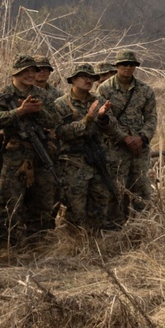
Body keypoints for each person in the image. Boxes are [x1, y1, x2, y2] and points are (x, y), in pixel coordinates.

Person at [0, 54, 61, 245]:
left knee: (43, 199)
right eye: (25, 71)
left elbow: (54, 120)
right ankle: (4, 245)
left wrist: (38, 111)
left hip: (40, 153)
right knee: (9, 201)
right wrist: (19, 112)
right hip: (14, 155)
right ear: (15, 72)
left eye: (33, 71)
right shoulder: (2, 95)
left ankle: (38, 243)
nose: (29, 75)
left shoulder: (42, 95)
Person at [53, 64, 116, 234]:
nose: (89, 80)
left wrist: (103, 119)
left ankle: (94, 244)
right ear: (73, 79)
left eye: (91, 77)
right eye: (84, 76)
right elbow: (60, 132)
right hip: (73, 162)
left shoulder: (100, 101)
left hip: (97, 160)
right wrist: (86, 120)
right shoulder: (60, 105)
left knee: (100, 201)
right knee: (75, 206)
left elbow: (112, 129)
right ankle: (73, 244)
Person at [98, 50, 157, 223]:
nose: (128, 68)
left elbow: (151, 117)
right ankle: (115, 227)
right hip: (116, 148)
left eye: (132, 65)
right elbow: (106, 118)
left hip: (140, 149)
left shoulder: (145, 90)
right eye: (124, 64)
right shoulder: (105, 89)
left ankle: (144, 225)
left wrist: (142, 138)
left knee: (142, 187)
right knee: (115, 188)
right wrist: (125, 138)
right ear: (116, 66)